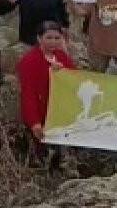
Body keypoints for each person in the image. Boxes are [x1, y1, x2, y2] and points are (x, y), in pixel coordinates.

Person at [17, 21, 76, 168]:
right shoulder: (29, 61)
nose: (53, 42)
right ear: (39, 38)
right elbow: (28, 94)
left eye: (57, 38)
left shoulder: (62, 57)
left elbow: (75, 82)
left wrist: (63, 72)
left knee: (59, 155)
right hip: (41, 116)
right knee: (41, 157)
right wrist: (34, 122)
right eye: (49, 38)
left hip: (60, 115)